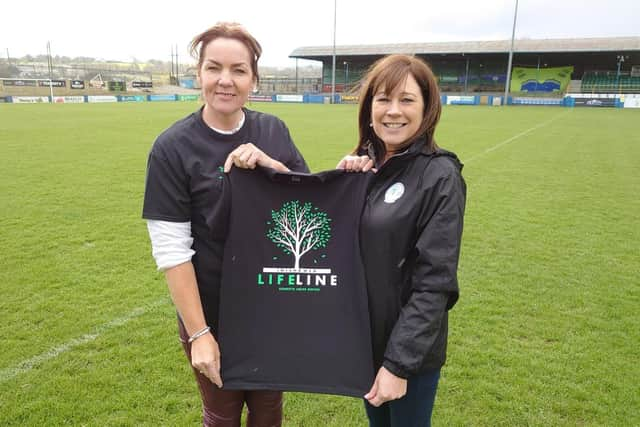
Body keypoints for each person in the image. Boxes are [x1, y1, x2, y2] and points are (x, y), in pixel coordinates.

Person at [142, 22, 308, 427]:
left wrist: (272, 165)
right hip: (210, 311)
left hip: (270, 308)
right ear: (198, 73)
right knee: (222, 415)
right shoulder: (172, 148)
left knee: (268, 413)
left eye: (239, 70)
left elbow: (307, 204)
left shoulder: (273, 130)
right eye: (214, 68)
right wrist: (199, 334)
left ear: (254, 78)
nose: (225, 80)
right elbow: (172, 252)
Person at [340, 54, 466, 426]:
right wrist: (342, 182)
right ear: (369, 107)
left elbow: (435, 284)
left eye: (407, 100)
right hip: (366, 344)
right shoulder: (364, 169)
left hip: (409, 355)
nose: (393, 111)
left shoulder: (440, 176)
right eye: (383, 99)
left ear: (427, 107)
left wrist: (398, 365)